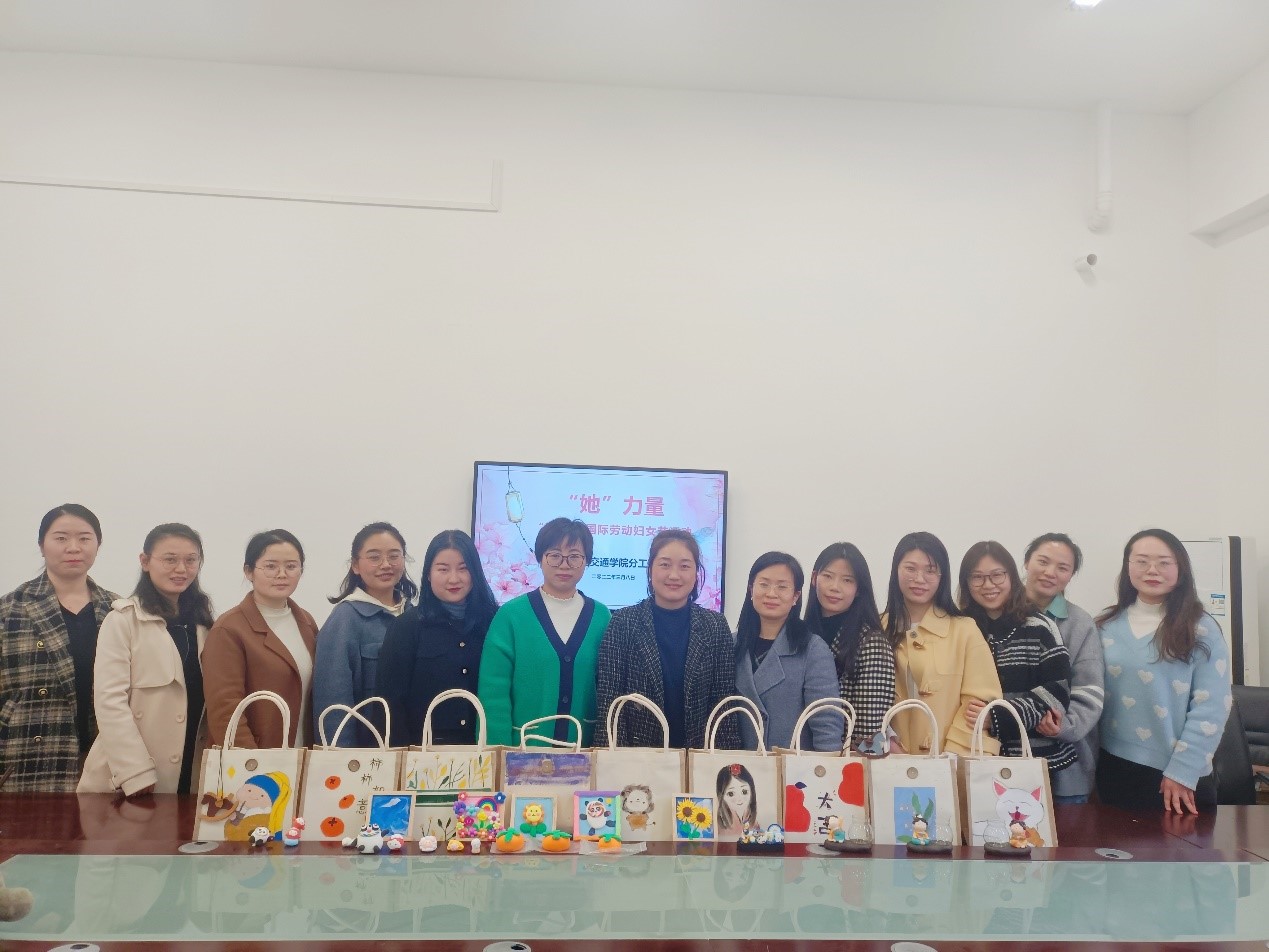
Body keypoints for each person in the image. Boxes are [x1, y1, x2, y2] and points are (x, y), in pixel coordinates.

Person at [1096, 529, 1232, 814]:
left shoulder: (1201, 628)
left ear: (1180, 570)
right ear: (1128, 567)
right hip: (1113, 767)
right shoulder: (1104, 625)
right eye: (1142, 561)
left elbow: (1212, 707)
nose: (1152, 570)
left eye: (1164, 562)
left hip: (1177, 776)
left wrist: (1183, 771)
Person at [79, 523, 214, 796]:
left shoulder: (205, 625)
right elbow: (109, 701)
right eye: (170, 559)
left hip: (193, 766)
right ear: (145, 561)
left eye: (191, 560)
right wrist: (135, 772)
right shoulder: (123, 620)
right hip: (132, 776)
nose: (181, 569)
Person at [0, 504, 118, 791]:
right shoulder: (10, 609)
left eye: (84, 538)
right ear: (42, 545)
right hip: (25, 753)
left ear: (98, 545)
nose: (73, 547)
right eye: (61, 538)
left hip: (102, 755)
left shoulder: (117, 609)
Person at [593, 529, 739, 750]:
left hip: (697, 756)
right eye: (664, 564)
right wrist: (615, 759)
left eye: (684, 566)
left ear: (696, 573)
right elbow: (609, 702)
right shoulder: (623, 622)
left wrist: (723, 762)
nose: (674, 575)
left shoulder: (715, 626)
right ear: (650, 570)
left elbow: (723, 706)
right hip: (637, 755)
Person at [477, 518, 611, 747]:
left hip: (584, 751)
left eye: (574, 556)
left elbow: (608, 688)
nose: (564, 565)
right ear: (540, 558)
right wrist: (497, 752)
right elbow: (493, 693)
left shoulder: (601, 617)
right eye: (555, 555)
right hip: (523, 752)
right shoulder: (511, 615)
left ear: (586, 561)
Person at [956, 540, 1076, 776]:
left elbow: (1057, 692)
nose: (988, 585)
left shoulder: (1039, 626)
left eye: (997, 575)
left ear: (1011, 576)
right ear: (966, 583)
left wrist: (998, 717)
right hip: (972, 755)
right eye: (977, 577)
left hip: (1031, 758)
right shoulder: (960, 628)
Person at [882, 531, 1001, 755]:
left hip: (953, 761)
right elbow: (865, 698)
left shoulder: (965, 630)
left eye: (930, 570)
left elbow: (977, 704)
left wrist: (951, 758)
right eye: (910, 568)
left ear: (942, 576)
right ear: (896, 570)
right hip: (890, 761)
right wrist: (887, 742)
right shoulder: (878, 628)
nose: (919, 579)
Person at [377, 529, 499, 747]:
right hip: (423, 751)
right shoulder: (407, 626)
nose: (454, 578)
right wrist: (402, 755)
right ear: (428, 574)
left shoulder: (495, 623)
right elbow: (389, 703)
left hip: (483, 748)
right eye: (443, 569)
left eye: (463, 568)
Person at [203, 530, 319, 749]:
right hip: (256, 758)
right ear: (249, 571)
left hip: (303, 755)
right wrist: (252, 760)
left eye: (291, 566)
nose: (282, 574)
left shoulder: (307, 622)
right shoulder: (229, 628)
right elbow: (225, 709)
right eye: (271, 566)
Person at [312, 523, 417, 747]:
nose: (386, 564)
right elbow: (334, 703)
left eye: (394, 556)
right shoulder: (345, 619)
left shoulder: (414, 615)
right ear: (355, 565)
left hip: (414, 751)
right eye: (374, 557)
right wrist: (340, 759)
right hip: (367, 754)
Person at [1023, 532, 1104, 804]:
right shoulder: (1000, 614)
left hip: (1067, 767)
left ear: (1071, 575)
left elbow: (1089, 690)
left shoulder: (1080, 623)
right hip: (1004, 760)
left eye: (1062, 567)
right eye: (1043, 562)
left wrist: (1064, 726)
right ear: (1026, 562)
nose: (1050, 573)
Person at [733, 552, 838, 751]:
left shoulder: (813, 649)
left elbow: (827, 724)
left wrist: (828, 767)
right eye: (764, 584)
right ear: (751, 589)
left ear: (795, 596)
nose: (771, 594)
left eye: (782, 587)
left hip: (794, 768)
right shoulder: (732, 644)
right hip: (737, 767)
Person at [803, 542, 895, 748]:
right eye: (828, 576)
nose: (835, 587)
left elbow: (870, 731)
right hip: (797, 753)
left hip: (844, 757)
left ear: (859, 589)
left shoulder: (871, 642)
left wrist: (846, 762)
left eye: (847, 580)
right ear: (814, 578)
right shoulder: (801, 633)